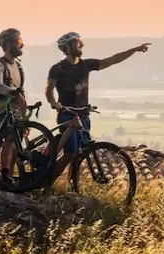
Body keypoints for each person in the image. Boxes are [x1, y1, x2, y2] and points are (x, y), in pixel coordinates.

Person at [45, 32, 150, 182]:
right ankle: (47, 183)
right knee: (70, 153)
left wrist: (134, 50)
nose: (81, 44)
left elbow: (111, 61)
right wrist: (54, 103)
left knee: (81, 153)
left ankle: (72, 187)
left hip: (84, 116)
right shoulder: (58, 68)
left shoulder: (86, 65)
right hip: (67, 115)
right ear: (67, 47)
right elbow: (49, 88)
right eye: (77, 42)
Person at [0, 28, 26, 184]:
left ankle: (9, 177)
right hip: (2, 111)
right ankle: (4, 176)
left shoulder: (18, 66)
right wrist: (14, 93)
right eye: (19, 42)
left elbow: (21, 91)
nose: (22, 45)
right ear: (9, 44)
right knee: (10, 138)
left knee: (17, 144)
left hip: (16, 112)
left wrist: (25, 117)